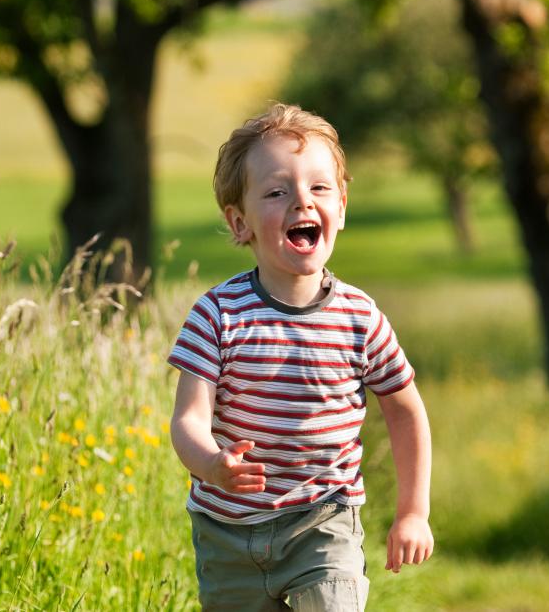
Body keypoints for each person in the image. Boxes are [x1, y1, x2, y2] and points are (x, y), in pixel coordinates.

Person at [168, 104, 434, 611]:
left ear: (342, 207)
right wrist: (211, 464)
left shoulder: (361, 317)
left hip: (323, 521)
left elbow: (405, 412)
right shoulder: (218, 315)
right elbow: (188, 419)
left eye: (319, 188)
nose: (301, 202)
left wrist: (412, 512)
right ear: (239, 221)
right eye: (276, 192)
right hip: (229, 534)